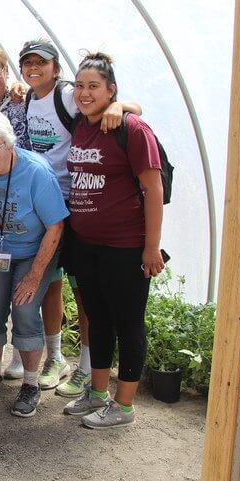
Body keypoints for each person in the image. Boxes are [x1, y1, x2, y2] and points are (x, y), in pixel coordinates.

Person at [17, 38, 143, 395]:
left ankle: (88, 366)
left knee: (83, 291)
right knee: (51, 286)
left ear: (57, 68)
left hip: (78, 203)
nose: (33, 68)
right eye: (27, 63)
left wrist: (119, 105)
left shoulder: (69, 94)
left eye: (41, 62)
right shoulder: (28, 96)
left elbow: (128, 104)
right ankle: (56, 358)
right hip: (46, 204)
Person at [61, 53, 165, 429]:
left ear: (111, 90)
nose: (85, 93)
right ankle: (98, 392)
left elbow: (153, 189)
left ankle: (123, 407)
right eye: (80, 86)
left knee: (128, 323)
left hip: (125, 246)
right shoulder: (80, 124)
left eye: (94, 87)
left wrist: (151, 247)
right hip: (87, 243)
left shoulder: (133, 129)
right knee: (99, 318)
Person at [0, 110, 68, 417]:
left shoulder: (36, 172)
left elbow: (55, 227)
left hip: (35, 251)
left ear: (10, 144)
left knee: (24, 307)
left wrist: (34, 276)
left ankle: (30, 384)